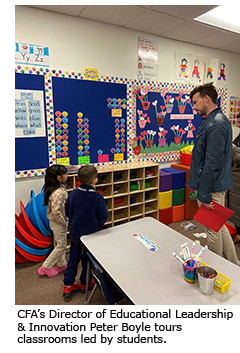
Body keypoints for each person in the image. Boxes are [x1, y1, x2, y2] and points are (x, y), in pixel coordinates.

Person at [187, 83, 239, 266]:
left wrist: (205, 193)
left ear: (206, 98)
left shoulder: (216, 123)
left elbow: (212, 163)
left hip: (211, 187)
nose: (193, 107)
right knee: (220, 226)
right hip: (212, 185)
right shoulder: (212, 119)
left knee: (212, 230)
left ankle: (214, 268)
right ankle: (233, 263)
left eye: (195, 102)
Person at [63, 165, 109, 298]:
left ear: (78, 179)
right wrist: (96, 225)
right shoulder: (97, 197)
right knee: (87, 260)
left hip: (76, 234)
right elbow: (103, 216)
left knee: (73, 259)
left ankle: (68, 286)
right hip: (91, 235)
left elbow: (67, 211)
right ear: (95, 180)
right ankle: (85, 283)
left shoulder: (73, 194)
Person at [38, 165, 68, 278]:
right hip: (58, 222)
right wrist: (64, 222)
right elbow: (56, 212)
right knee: (61, 246)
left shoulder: (57, 188)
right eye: (65, 174)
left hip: (57, 221)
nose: (67, 175)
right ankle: (45, 267)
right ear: (58, 178)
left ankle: (62, 264)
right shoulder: (58, 192)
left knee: (61, 244)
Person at [228, 113, 240, 246]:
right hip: (235, 178)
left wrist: (233, 149)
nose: (237, 125)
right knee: (236, 208)